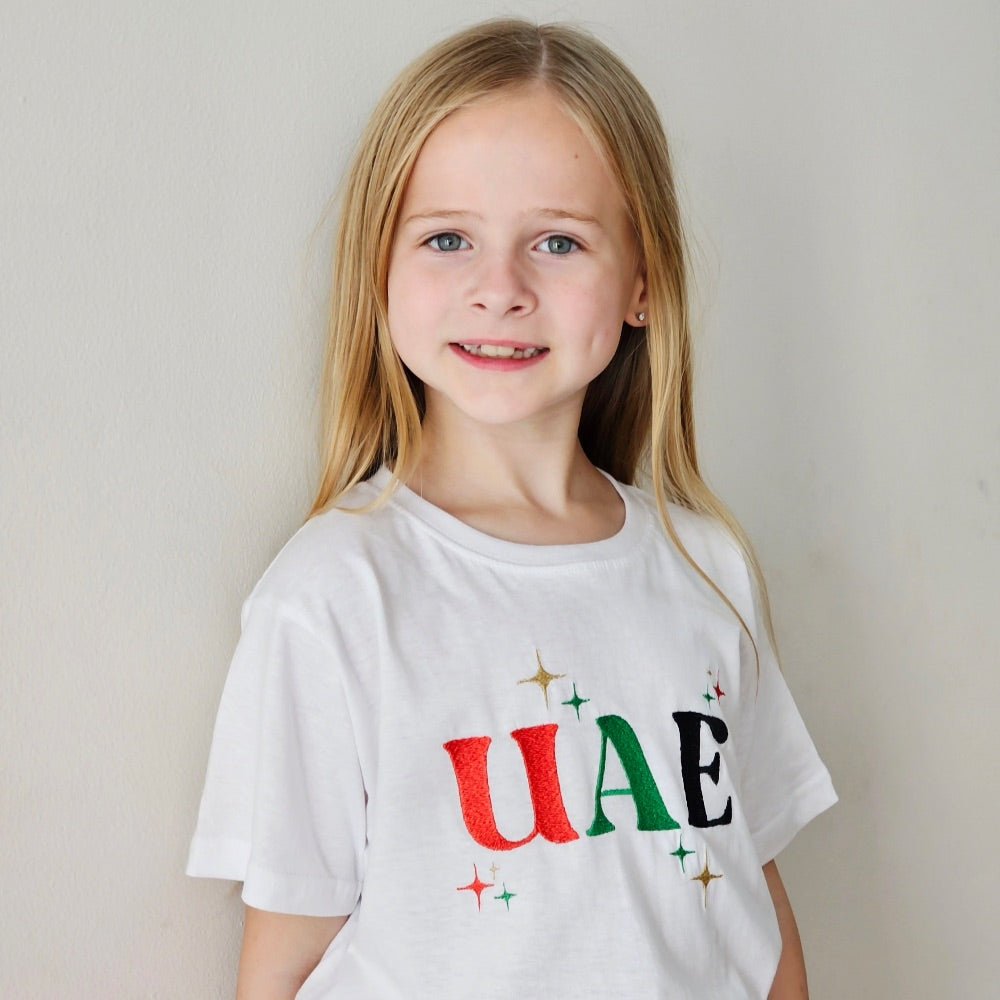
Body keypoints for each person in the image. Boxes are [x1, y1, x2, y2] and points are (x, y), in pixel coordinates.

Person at [186, 17, 837, 999]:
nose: (499, 290)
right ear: (380, 270)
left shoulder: (707, 569)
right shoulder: (331, 595)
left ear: (642, 282)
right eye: (447, 239)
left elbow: (752, 899)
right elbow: (282, 962)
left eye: (558, 242)